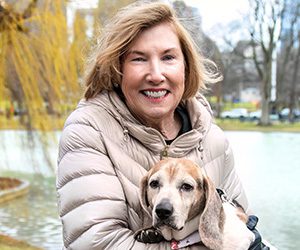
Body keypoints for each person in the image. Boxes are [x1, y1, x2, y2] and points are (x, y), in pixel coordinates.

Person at [56, 1, 267, 249]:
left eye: (168, 57)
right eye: (139, 59)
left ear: (185, 67)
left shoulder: (212, 139)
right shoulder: (87, 131)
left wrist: (251, 242)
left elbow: (241, 225)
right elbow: (96, 243)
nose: (156, 75)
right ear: (117, 67)